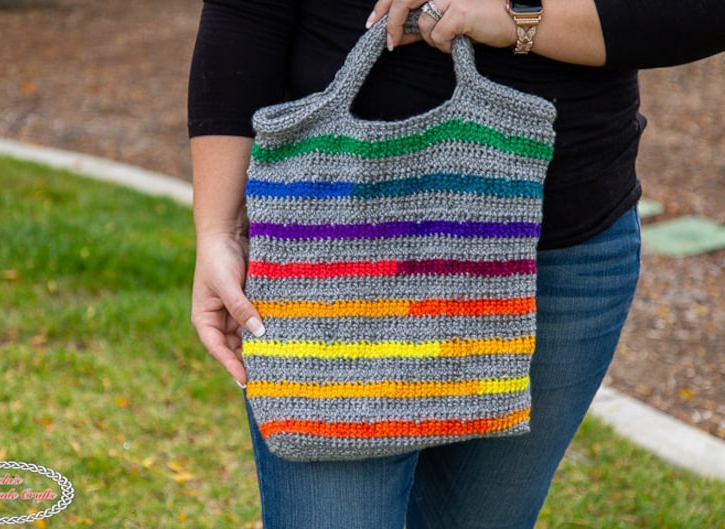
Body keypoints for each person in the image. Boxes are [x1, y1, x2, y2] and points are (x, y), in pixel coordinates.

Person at [187, 1, 724, 527]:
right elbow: (247, 11)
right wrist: (216, 229)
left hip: (563, 254)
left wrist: (518, 14)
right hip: (331, 252)